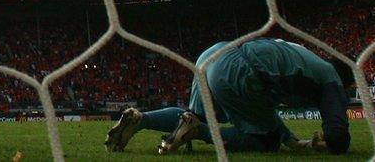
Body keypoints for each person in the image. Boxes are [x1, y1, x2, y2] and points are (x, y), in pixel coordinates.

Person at [105, 38, 354, 155]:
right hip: (242, 69)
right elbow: (338, 135)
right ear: (347, 82)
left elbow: (267, 111)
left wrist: (295, 141)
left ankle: (142, 119)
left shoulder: (305, 57)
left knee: (196, 115)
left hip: (214, 54)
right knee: (266, 141)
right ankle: (198, 131)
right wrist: (332, 142)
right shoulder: (331, 77)